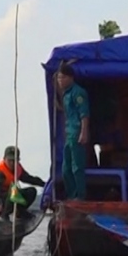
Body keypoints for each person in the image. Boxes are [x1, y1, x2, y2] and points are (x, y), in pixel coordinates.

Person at [54, 62, 90, 201]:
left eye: (62, 78)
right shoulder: (65, 94)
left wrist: (84, 132)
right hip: (69, 134)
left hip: (77, 133)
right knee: (65, 169)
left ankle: (80, 196)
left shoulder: (78, 92)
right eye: (58, 78)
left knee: (77, 167)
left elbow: (84, 114)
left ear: (70, 78)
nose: (60, 81)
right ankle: (71, 195)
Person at [0, 146, 45, 220]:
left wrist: (44, 184)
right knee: (11, 196)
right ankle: (4, 216)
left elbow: (29, 178)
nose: (12, 163)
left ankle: (20, 212)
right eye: (9, 160)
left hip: (11, 194)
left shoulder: (18, 168)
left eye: (14, 160)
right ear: (4, 159)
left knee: (31, 191)